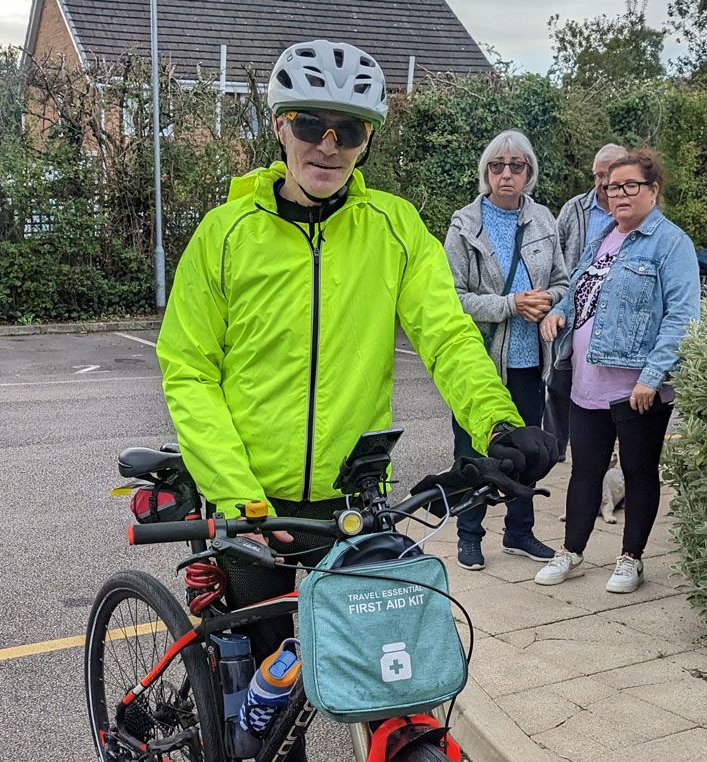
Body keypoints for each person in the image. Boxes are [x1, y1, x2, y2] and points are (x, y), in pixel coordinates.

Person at [156, 40, 557, 762]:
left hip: (354, 496)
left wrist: (499, 422)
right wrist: (238, 497)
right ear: (280, 127)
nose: (329, 145)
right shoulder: (226, 235)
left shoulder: (395, 228)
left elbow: (447, 337)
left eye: (350, 129)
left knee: (386, 674)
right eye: (311, 124)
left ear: (369, 137)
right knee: (266, 720)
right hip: (254, 501)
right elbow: (188, 371)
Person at [537, 149, 700, 594]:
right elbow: (579, 289)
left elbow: (684, 316)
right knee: (584, 470)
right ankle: (571, 550)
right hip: (587, 381)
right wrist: (560, 312)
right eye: (612, 186)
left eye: (631, 185)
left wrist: (652, 375)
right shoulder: (602, 236)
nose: (619, 193)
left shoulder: (671, 243)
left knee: (638, 471)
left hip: (636, 389)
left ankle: (631, 559)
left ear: (653, 190)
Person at [443, 129, 569, 571]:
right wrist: (509, 305)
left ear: (529, 173)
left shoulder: (543, 221)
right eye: (497, 166)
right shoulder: (465, 225)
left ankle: (519, 532)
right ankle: (469, 534)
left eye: (516, 166)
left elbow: (563, 282)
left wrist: (548, 302)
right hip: (478, 360)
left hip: (530, 361)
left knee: (528, 449)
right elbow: (450, 297)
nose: (506, 175)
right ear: (486, 173)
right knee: (473, 450)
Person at [547, 143, 629, 460]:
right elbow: (555, 254)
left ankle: (605, 450)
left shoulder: (635, 214)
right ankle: (555, 449)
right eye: (597, 174)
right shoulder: (574, 209)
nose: (602, 181)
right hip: (572, 309)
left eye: (608, 174)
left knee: (605, 388)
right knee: (559, 381)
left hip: (611, 316)